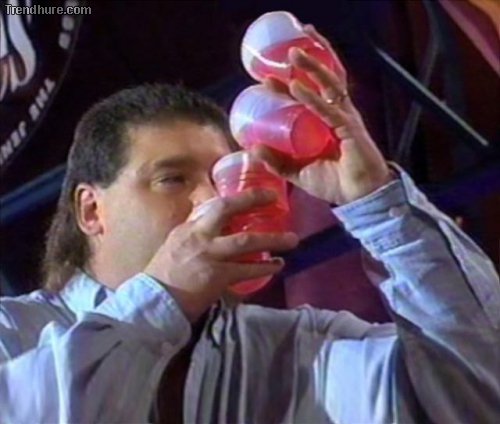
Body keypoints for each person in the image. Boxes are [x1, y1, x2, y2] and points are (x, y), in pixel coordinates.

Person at [1, 25, 499, 424]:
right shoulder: (14, 333)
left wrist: (375, 200)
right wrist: (163, 297)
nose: (211, 200)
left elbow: (478, 394)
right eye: (172, 179)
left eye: (220, 177)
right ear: (92, 210)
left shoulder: (302, 348)